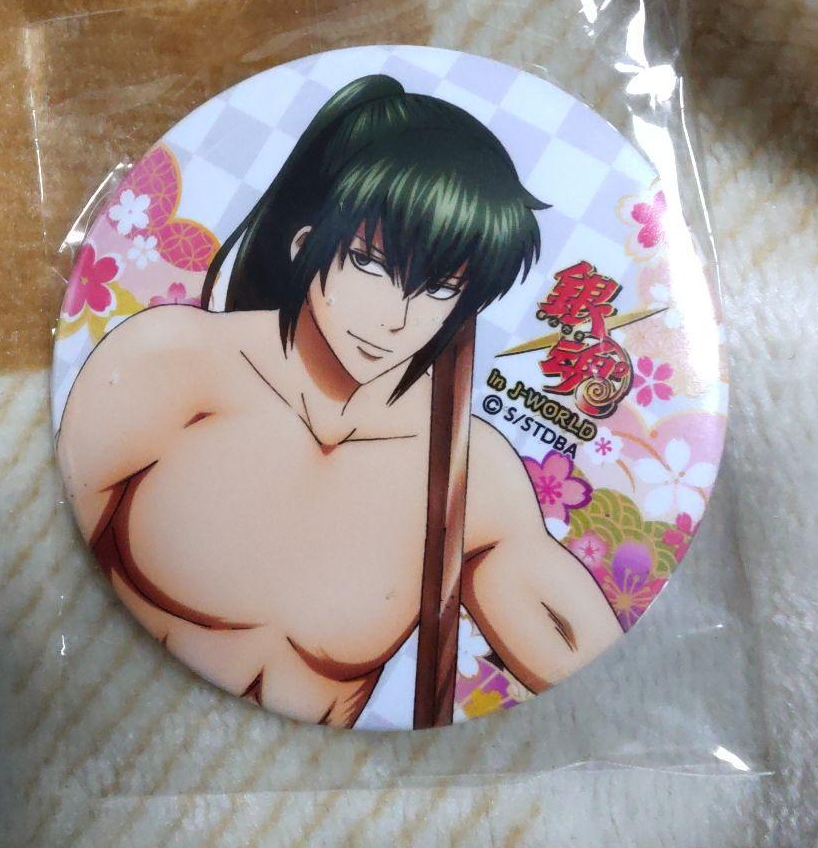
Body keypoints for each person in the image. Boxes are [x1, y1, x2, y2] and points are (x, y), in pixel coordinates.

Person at [57, 75, 621, 728]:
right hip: (108, 727)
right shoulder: (174, 364)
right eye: (370, 263)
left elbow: (588, 660)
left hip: (316, 777)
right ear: (306, 244)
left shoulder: (466, 470)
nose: (394, 318)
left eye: (439, 289)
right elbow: (47, 554)